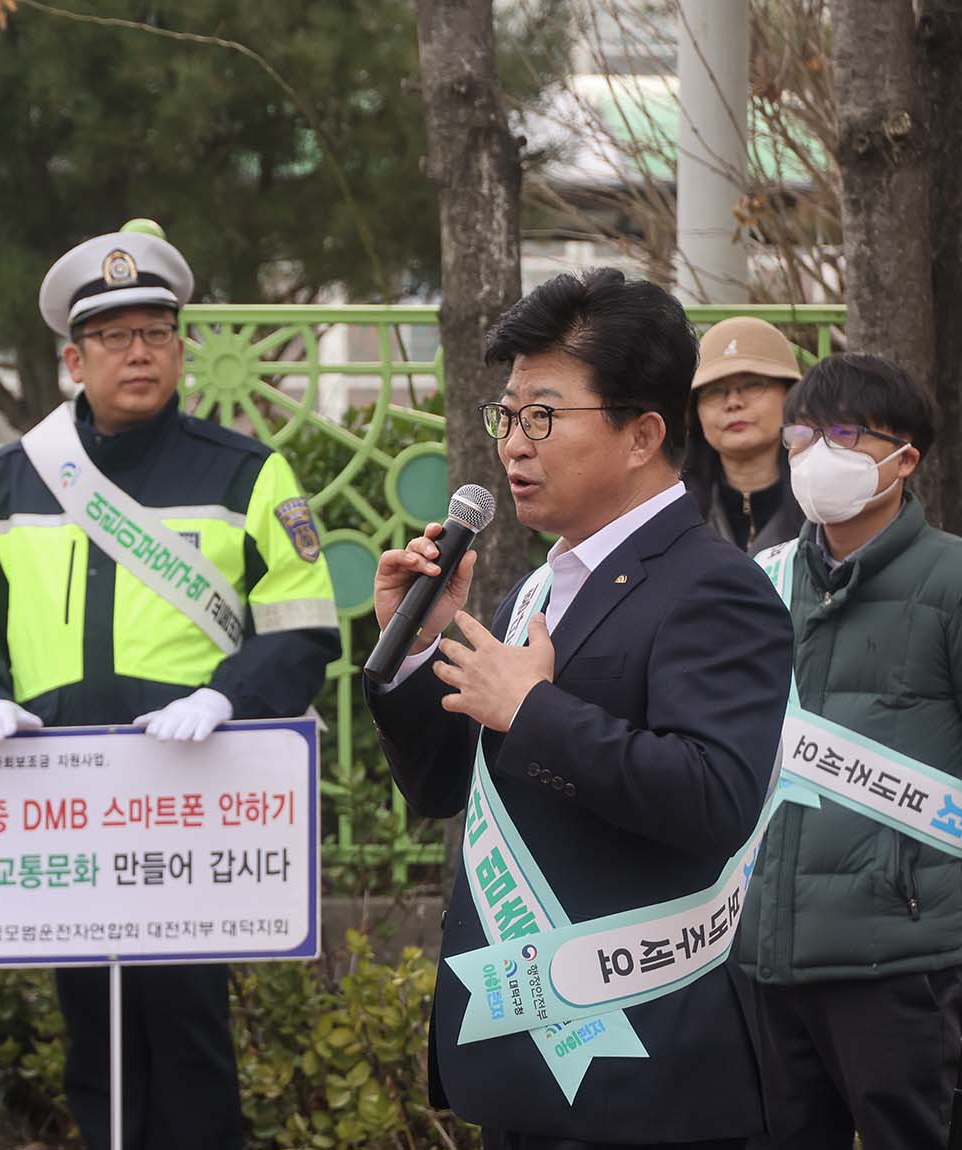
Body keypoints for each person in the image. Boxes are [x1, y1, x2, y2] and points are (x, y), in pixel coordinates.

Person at [0, 223, 340, 1150]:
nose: (139, 352)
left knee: (190, 1031)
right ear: (74, 356)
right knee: (95, 1032)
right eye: (115, 337)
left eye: (156, 331)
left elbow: (304, 622)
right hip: (61, 794)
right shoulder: (7, 479)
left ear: (183, 347)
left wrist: (228, 696)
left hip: (193, 796)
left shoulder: (245, 473)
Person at [365, 268, 791, 1149]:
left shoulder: (716, 588)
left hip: (650, 1071)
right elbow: (447, 789)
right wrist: (418, 648)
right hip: (522, 1052)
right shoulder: (534, 594)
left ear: (642, 435)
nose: (514, 445)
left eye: (545, 416)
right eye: (508, 416)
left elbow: (713, 799)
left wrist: (533, 711)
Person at [732, 353, 962, 1150]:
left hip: (902, 962)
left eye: (843, 434)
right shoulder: (760, 585)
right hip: (763, 954)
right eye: (803, 435)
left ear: (905, 458)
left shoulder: (951, 582)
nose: (816, 454)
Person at [680, 316, 802, 553]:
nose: (733, 402)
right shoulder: (677, 512)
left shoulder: (820, 503)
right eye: (715, 391)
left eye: (753, 385)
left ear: (790, 396)